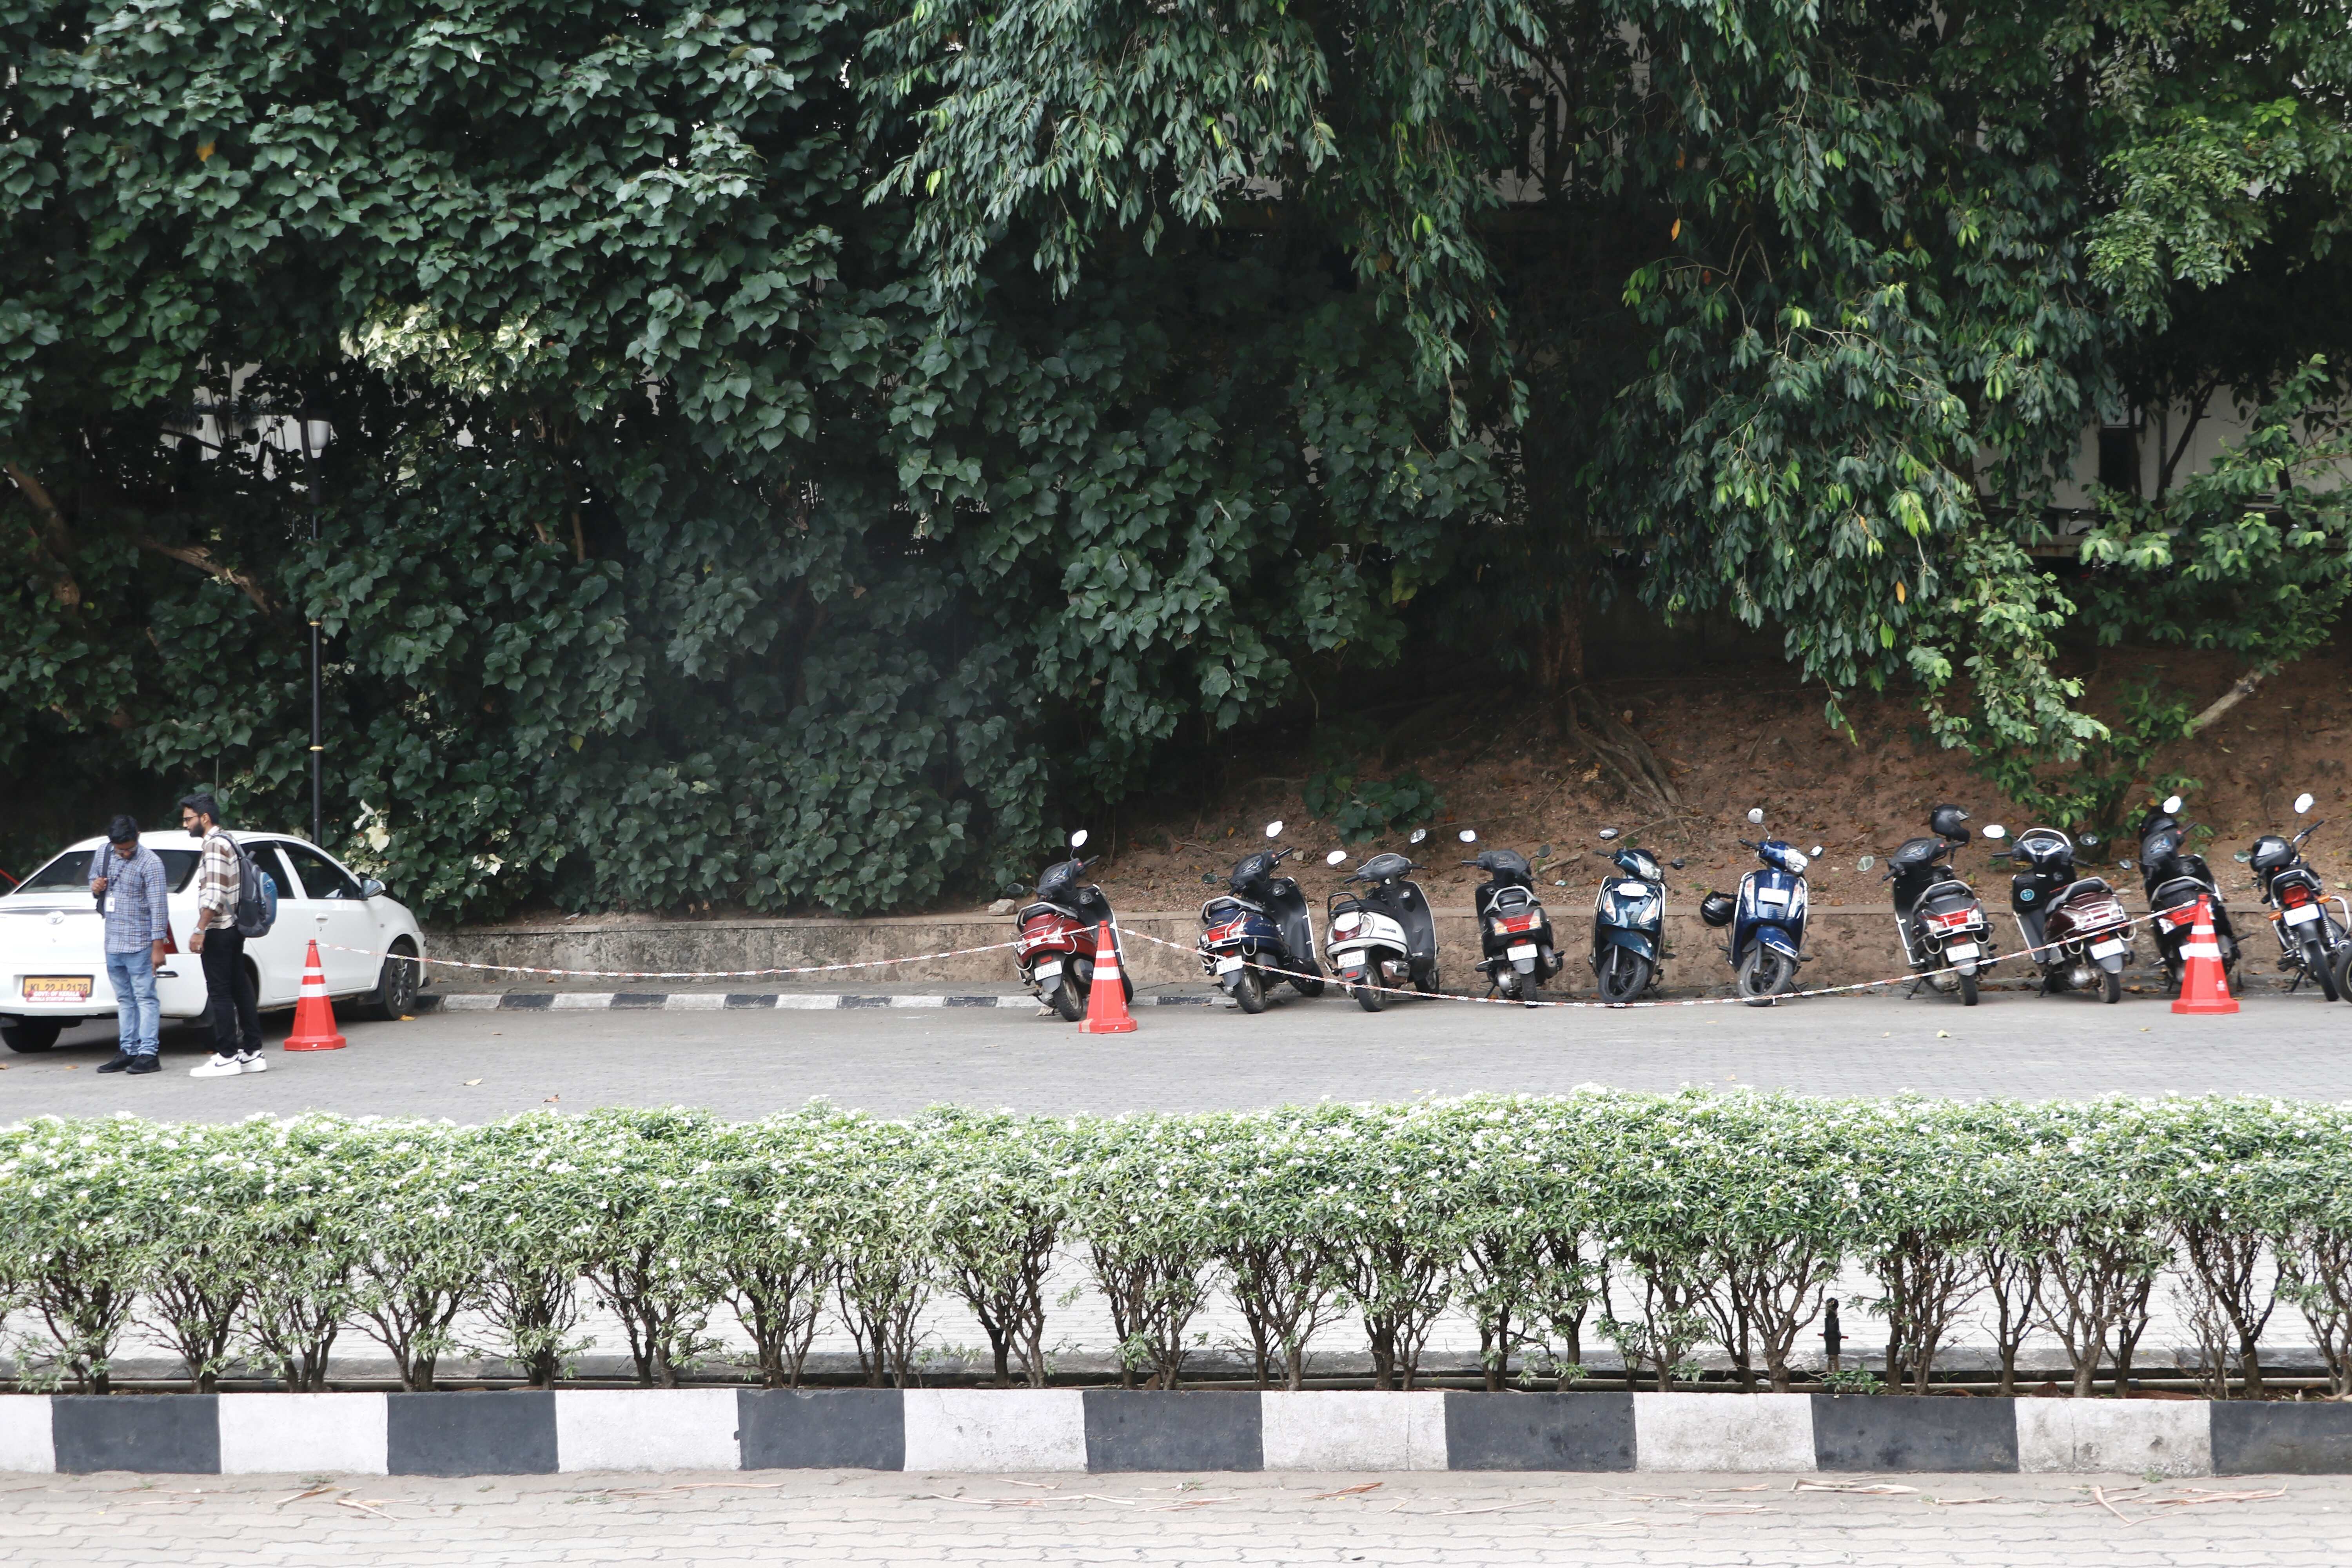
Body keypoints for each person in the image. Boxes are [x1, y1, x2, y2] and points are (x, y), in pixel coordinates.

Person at [180, 793, 267, 1077]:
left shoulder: (215, 846)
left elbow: (215, 895)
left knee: (220, 993)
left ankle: (227, 1056)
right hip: (235, 928)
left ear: (205, 818)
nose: (185, 825)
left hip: (220, 929)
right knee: (240, 988)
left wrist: (199, 929)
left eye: (188, 819)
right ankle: (253, 1053)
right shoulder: (229, 840)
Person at [90, 815, 169, 1075]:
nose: (124, 854)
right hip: (113, 939)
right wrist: (96, 886)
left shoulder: (151, 863)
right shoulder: (104, 852)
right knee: (124, 999)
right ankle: (127, 1051)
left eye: (129, 849)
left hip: (141, 941)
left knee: (145, 997)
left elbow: (159, 907)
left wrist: (159, 947)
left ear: (139, 836)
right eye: (119, 849)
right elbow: (93, 882)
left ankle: (149, 1054)